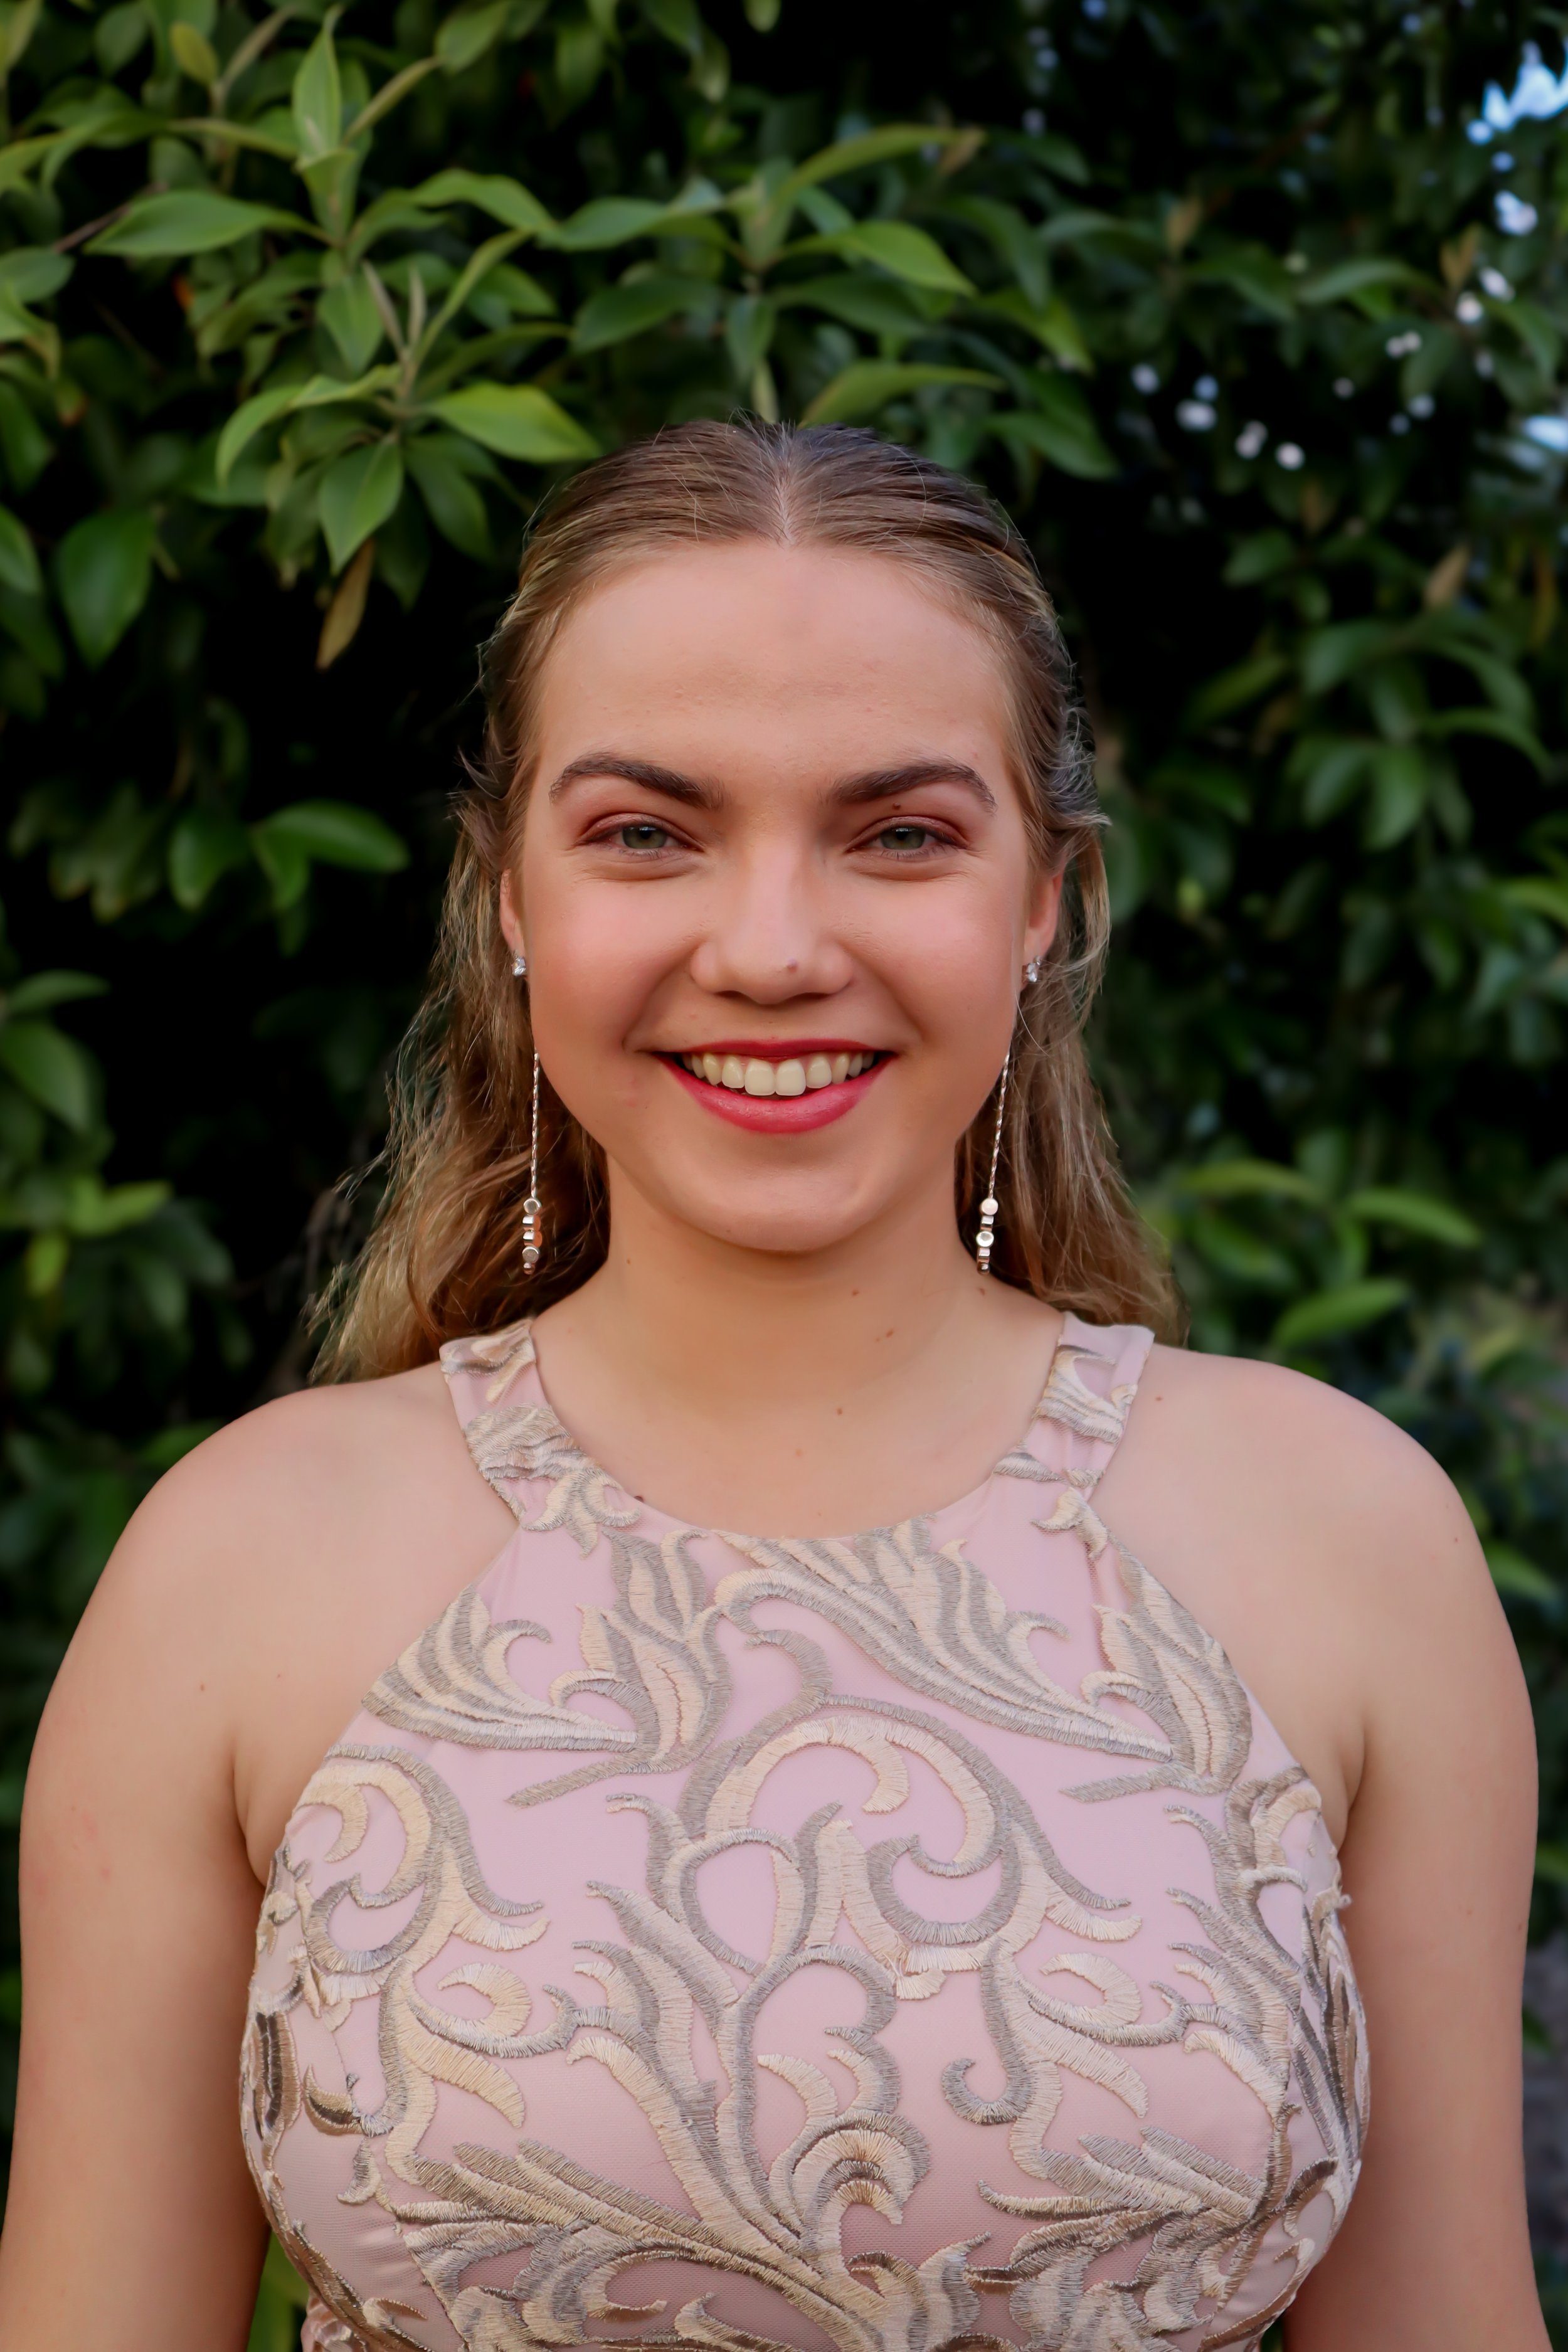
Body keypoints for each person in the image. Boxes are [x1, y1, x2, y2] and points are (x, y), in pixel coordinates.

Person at [0, 421, 1543, 2352]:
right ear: (507, 896)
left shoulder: (1343, 1538)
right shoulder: (238, 1564)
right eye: (647, 831)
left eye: (899, 832)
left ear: (1043, 899)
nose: (772, 946)